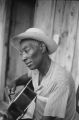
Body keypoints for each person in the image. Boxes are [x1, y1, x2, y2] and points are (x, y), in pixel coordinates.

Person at [7, 28, 79, 120]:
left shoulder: (60, 80)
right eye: (21, 53)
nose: (23, 58)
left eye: (27, 50)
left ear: (42, 47)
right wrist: (16, 82)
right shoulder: (36, 69)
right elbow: (27, 76)